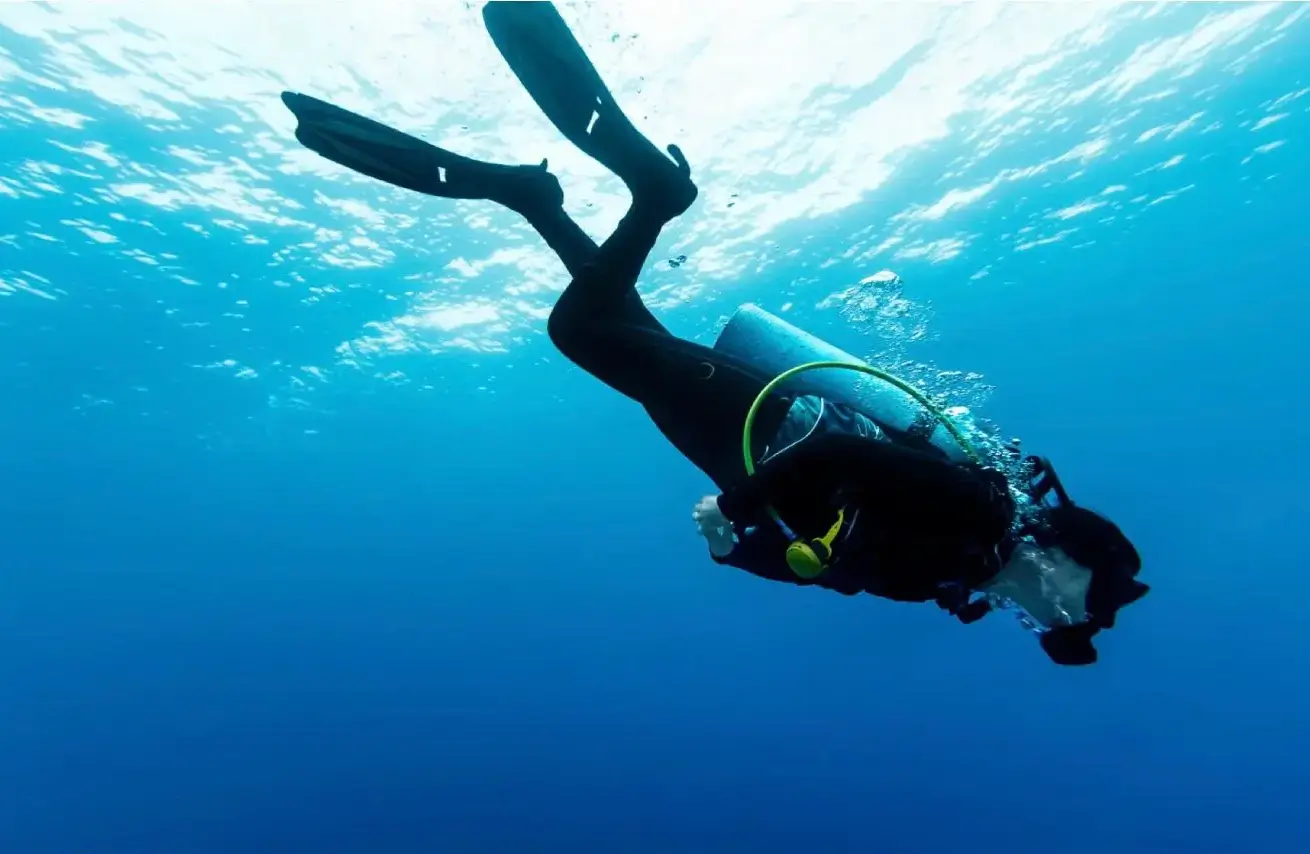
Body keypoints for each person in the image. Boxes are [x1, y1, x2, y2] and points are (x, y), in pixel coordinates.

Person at [282, 0, 1148, 665]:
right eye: (1088, 604)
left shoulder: (941, 580)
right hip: (759, 425)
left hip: (729, 443)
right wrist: (744, 502)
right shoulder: (978, 506)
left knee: (612, 321)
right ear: (1074, 560)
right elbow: (845, 463)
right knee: (582, 330)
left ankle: (535, 199)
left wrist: (733, 547)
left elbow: (818, 568)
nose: (1066, 619)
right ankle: (650, 197)